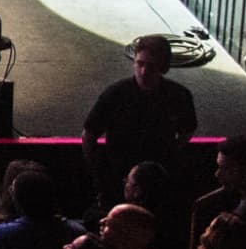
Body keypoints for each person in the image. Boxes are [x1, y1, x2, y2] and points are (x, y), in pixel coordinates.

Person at [80, 36, 198, 208]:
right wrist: (101, 176)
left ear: (163, 68)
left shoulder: (179, 96)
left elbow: (188, 129)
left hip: (155, 183)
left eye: (151, 66)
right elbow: (89, 134)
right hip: (119, 181)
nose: (143, 71)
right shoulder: (115, 94)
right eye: (140, 64)